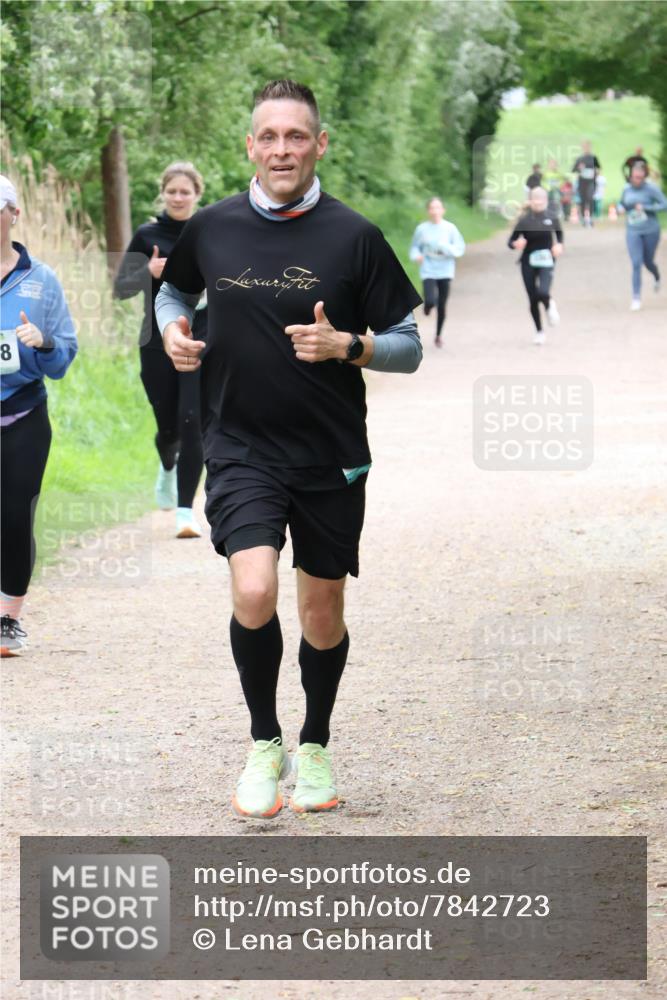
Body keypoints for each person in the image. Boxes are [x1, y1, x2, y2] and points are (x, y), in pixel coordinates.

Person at [155, 80, 422, 818]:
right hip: (239, 445)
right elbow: (173, 293)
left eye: (296, 136)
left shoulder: (355, 236)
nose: (282, 150)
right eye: (268, 137)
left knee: (321, 609)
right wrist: (174, 330)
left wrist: (349, 346)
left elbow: (408, 346)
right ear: (250, 146)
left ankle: (316, 743)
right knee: (252, 590)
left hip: (331, 453)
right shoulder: (211, 227)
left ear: (319, 145)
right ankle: (263, 741)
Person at [0, 175, 77, 656]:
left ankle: (8, 619)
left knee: (13, 516)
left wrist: (43, 342)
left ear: (14, 215)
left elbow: (63, 358)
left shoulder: (41, 280)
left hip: (23, 415)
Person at [114, 162, 207, 538]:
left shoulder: (209, 230)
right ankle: (167, 463)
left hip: (199, 339)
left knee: (192, 421)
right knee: (169, 428)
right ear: (163, 193)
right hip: (154, 341)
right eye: (172, 191)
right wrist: (146, 272)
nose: (178, 197)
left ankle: (185, 513)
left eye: (185, 191)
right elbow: (120, 289)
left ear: (197, 194)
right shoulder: (147, 234)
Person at [508, 186, 564, 345]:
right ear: (530, 201)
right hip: (528, 262)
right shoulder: (524, 220)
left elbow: (559, 234)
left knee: (543, 291)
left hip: (547, 260)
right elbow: (511, 241)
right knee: (532, 298)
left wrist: (559, 245)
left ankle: (549, 304)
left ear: (546, 201)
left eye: (541, 199)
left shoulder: (552, 217)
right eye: (535, 199)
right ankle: (539, 331)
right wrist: (516, 244)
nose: (538, 202)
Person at [409, 197, 465, 347]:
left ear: (443, 210)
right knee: (430, 300)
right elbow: (414, 247)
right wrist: (417, 256)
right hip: (428, 269)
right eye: (432, 208)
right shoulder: (422, 229)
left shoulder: (450, 228)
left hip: (445, 270)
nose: (435, 211)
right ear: (428, 211)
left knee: (442, 304)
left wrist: (446, 248)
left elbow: (459, 248)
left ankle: (438, 335)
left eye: (438, 208)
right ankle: (428, 306)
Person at [618, 163, 667, 310]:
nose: (637, 179)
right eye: (635, 177)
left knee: (648, 261)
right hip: (633, 230)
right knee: (636, 263)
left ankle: (656, 275)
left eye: (640, 177)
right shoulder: (626, 189)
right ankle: (636, 297)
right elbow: (622, 203)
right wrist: (620, 208)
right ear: (631, 176)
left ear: (644, 176)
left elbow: (664, 204)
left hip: (651, 230)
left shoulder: (651, 189)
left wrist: (646, 207)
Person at [571, 141, 601, 226]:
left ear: (590, 147)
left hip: (591, 182)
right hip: (582, 182)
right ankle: (584, 219)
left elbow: (598, 168)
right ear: (582, 148)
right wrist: (579, 168)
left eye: (588, 146)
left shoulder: (593, 158)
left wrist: (596, 172)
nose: (586, 148)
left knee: (590, 199)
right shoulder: (580, 159)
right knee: (583, 201)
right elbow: (573, 170)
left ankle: (590, 218)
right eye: (584, 147)